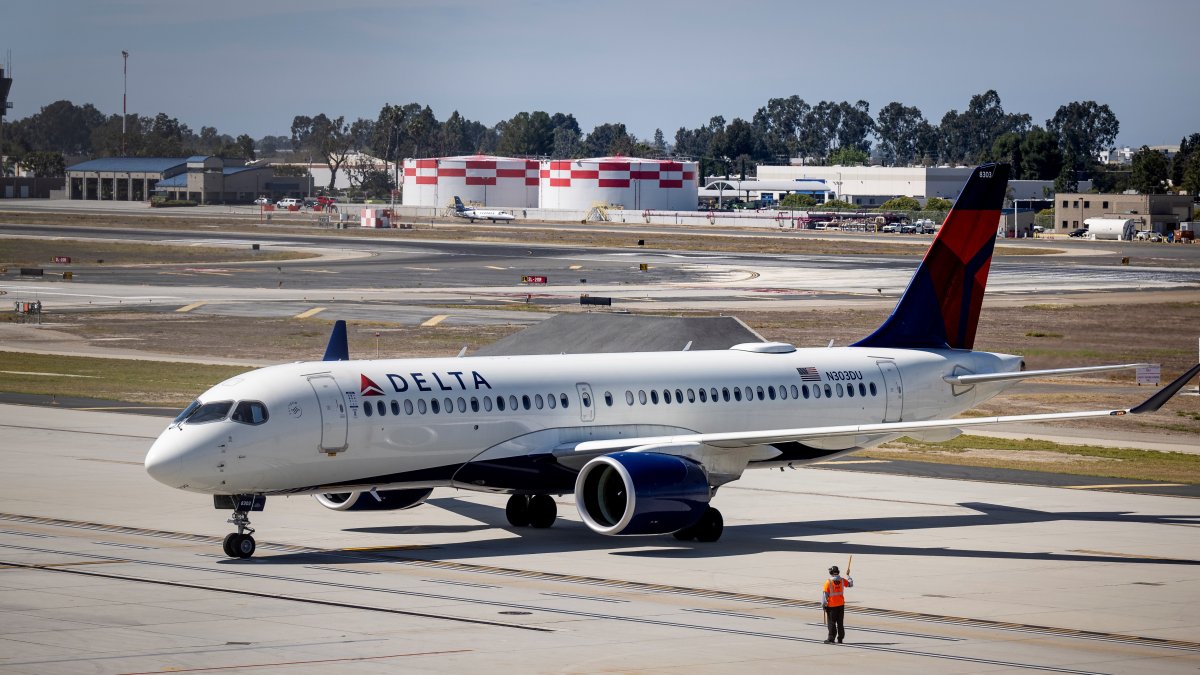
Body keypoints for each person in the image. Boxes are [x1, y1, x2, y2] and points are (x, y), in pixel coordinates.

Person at [821, 564, 853, 643]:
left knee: (831, 623)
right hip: (841, 605)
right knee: (840, 623)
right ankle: (840, 638)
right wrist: (848, 575)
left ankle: (831, 638)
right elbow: (850, 584)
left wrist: (824, 605)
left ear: (831, 572)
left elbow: (825, 596)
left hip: (832, 606)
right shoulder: (842, 580)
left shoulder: (828, 582)